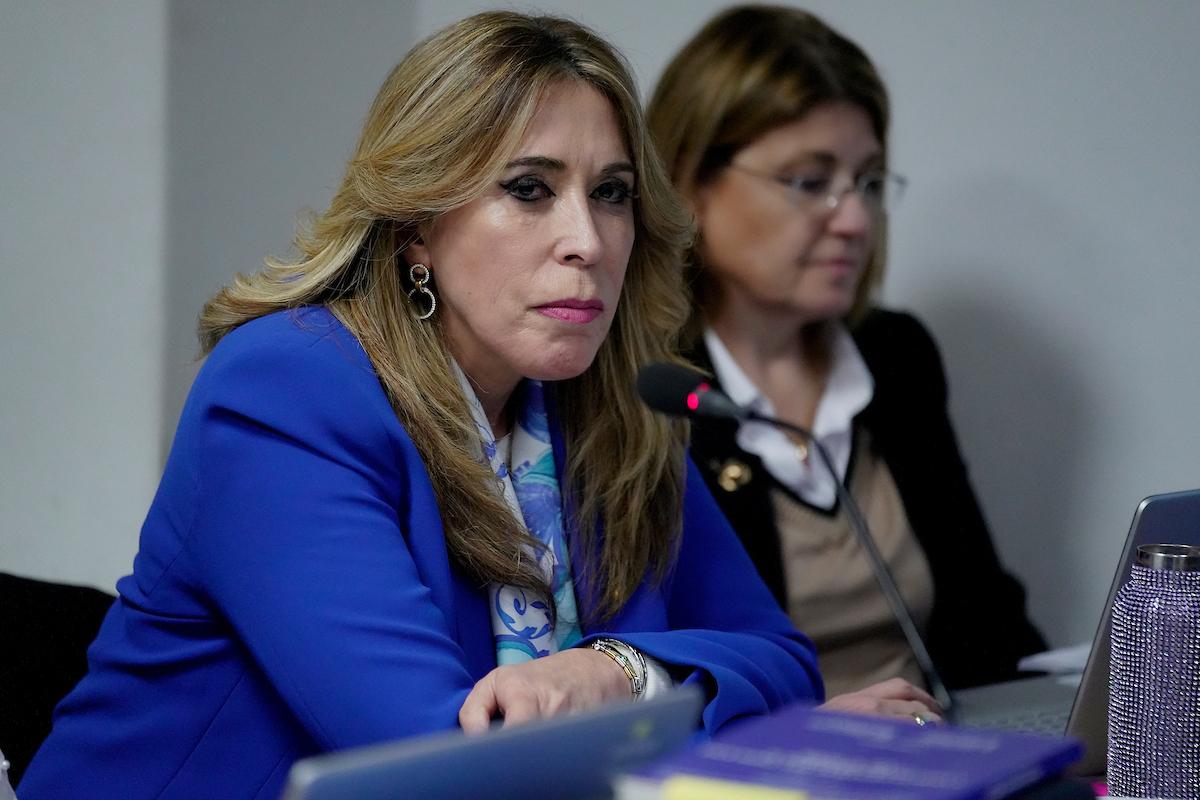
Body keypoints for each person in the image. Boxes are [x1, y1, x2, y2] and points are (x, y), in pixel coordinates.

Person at [19, 12, 936, 799]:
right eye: (529, 190)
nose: (586, 240)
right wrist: (733, 726)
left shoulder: (610, 408)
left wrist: (617, 672)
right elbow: (443, 765)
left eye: (611, 194)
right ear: (417, 223)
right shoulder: (283, 393)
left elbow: (782, 657)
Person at [647, 5, 1047, 699]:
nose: (857, 220)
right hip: (773, 754)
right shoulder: (652, 391)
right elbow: (676, 676)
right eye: (810, 182)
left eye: (868, 182)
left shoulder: (895, 355)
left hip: (939, 740)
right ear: (691, 186)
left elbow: (986, 623)